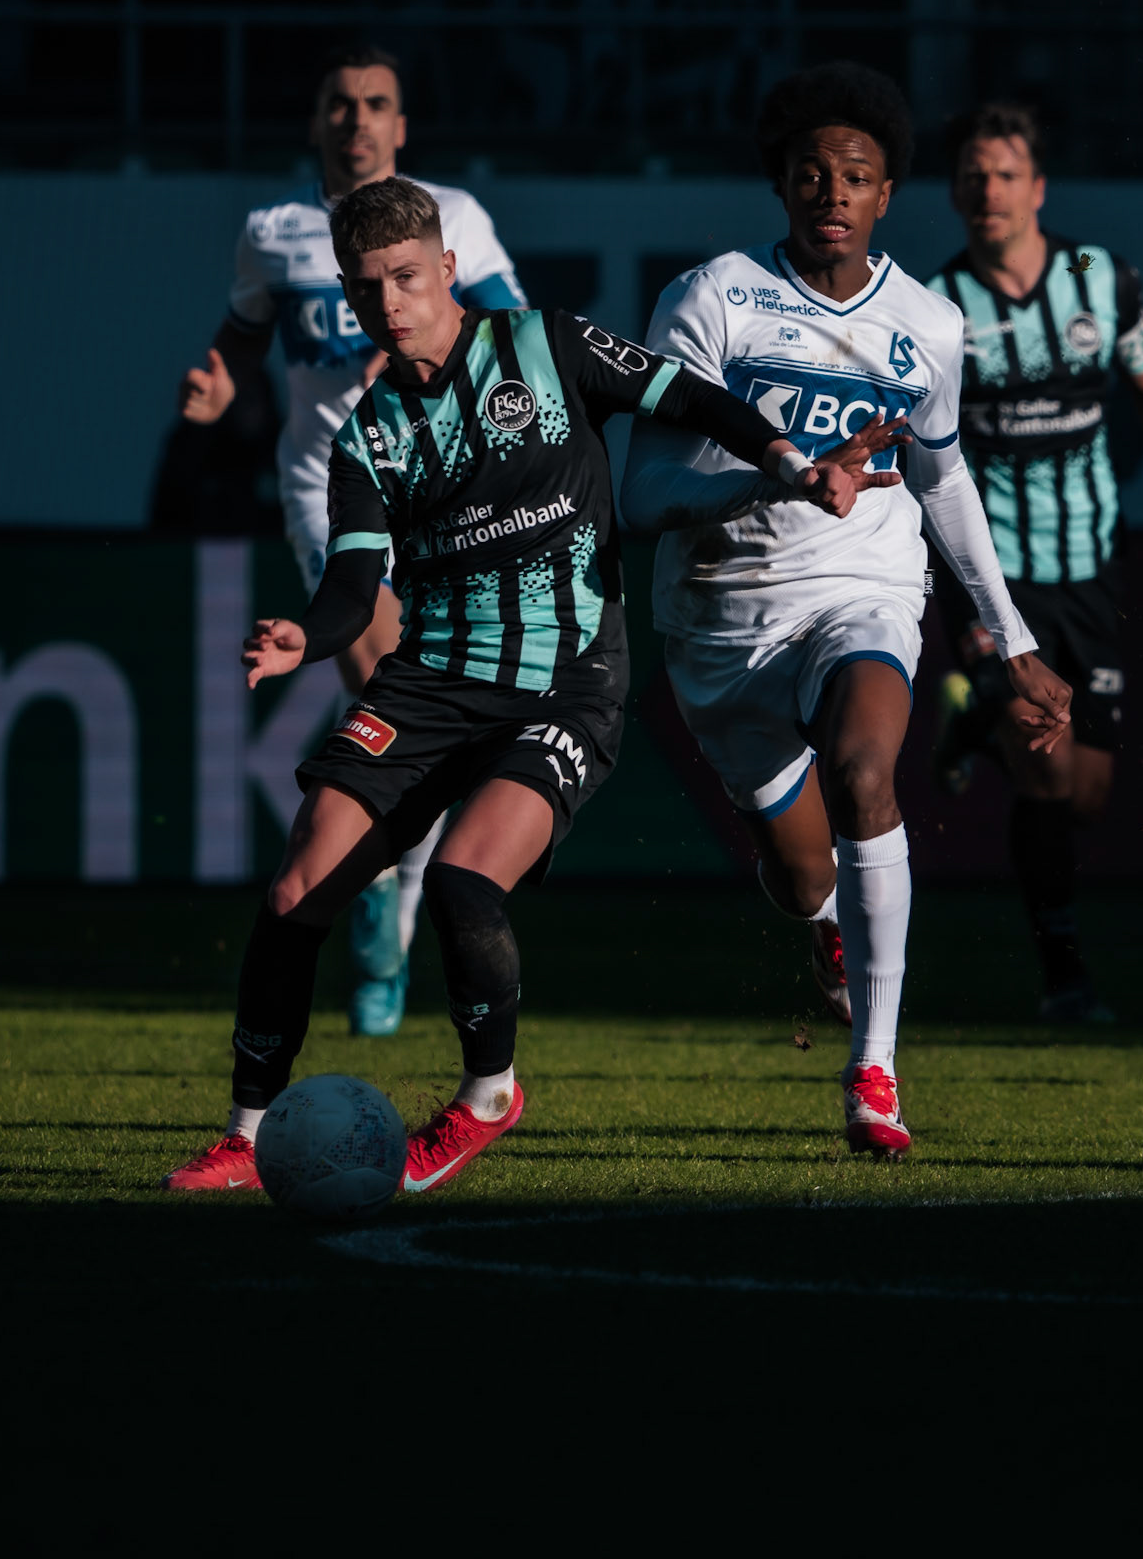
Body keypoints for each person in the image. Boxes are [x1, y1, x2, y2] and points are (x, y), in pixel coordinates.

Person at [162, 177, 867, 1196]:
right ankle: (246, 1126)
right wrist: (301, 638)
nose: (388, 304)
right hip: (431, 684)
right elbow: (353, 589)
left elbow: (689, 395)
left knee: (461, 881)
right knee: (293, 891)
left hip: (565, 683)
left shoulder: (547, 344)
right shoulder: (367, 439)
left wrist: (792, 462)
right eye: (366, 291)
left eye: (406, 277)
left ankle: (487, 1094)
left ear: (448, 269)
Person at [620, 62, 1072, 1157]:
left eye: (856, 176)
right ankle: (826, 926)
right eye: (812, 173)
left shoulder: (928, 326)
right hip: (720, 623)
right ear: (782, 185)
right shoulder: (713, 298)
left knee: (869, 770)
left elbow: (944, 478)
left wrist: (1011, 636)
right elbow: (644, 495)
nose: (832, 190)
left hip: (862, 588)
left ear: (885, 195)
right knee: (803, 871)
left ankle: (874, 1069)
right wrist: (773, 474)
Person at [178, 44, 525, 1037]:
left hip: (445, 488)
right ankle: (389, 907)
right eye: (341, 103)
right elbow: (243, 333)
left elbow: (512, 334)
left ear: (403, 125)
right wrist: (219, 383)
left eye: (378, 103)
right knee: (391, 694)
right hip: (329, 487)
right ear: (316, 123)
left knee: (426, 720)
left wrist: (423, 339)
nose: (359, 119)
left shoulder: (454, 217)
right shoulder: (277, 232)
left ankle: (394, 895)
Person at [928, 103, 1143, 1019]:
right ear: (953, 192)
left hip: (1090, 563)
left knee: (1085, 794)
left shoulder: (1102, 278)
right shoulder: (937, 306)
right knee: (1045, 775)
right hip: (995, 577)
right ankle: (1064, 976)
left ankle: (970, 720)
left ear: (1038, 189)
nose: (988, 191)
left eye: (1004, 174)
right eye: (973, 176)